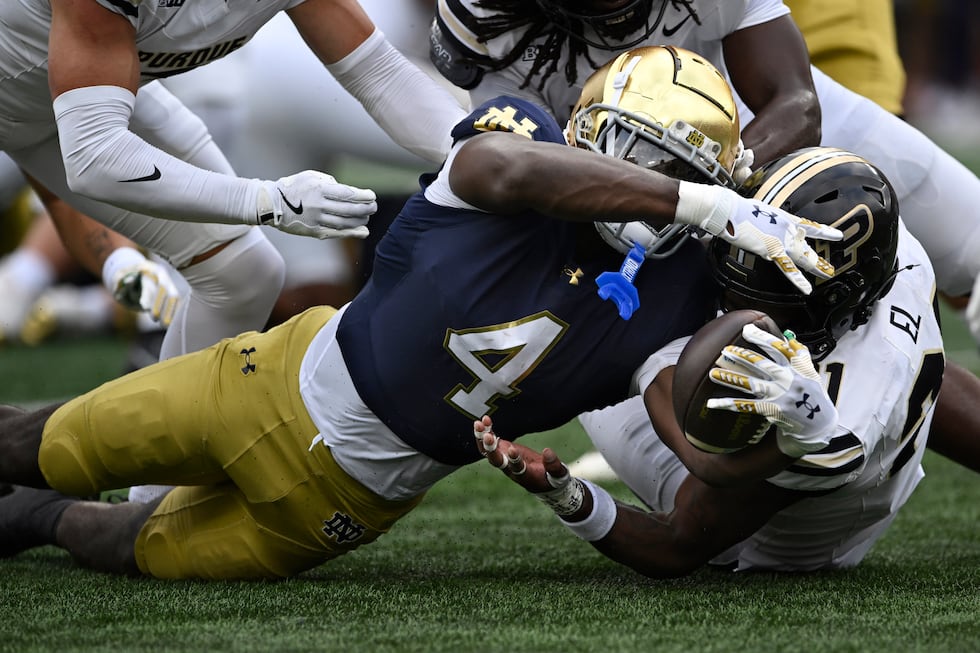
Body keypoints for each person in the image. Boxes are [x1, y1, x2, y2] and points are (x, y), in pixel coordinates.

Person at [0, 46, 841, 580]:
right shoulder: (522, 147)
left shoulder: (676, 296)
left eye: (673, 165)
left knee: (114, 541)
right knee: (39, 445)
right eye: (634, 148)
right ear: (589, 131)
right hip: (261, 386)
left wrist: (794, 440)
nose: (647, 178)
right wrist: (695, 202)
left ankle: (27, 521)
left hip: (344, 508)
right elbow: (503, 170)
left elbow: (697, 456)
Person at [476, 145, 971, 576]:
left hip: (774, 540)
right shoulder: (890, 257)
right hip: (862, 420)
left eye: (768, 291)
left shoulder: (843, 420)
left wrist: (569, 498)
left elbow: (676, 542)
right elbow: (922, 378)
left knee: (610, 322)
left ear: (837, 299)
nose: (732, 296)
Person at [430, 0, 980, 311]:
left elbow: (795, 103)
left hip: (734, 116)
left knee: (971, 239)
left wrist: (724, 176)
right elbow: (526, 175)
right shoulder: (488, 18)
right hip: (600, 185)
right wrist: (670, 206)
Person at [0, 0, 466, 366]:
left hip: (59, 105)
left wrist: (483, 146)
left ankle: (157, 485)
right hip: (38, 108)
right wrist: (269, 201)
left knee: (245, 274)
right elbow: (95, 156)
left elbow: (378, 73)